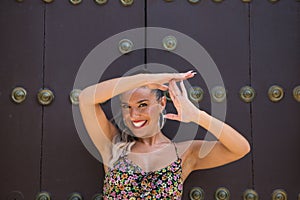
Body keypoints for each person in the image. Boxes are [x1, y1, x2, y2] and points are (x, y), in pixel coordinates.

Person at [78, 70, 250, 200]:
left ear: (162, 103)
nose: (133, 115)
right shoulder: (113, 145)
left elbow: (240, 148)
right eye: (126, 107)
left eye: (142, 105)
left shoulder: (184, 153)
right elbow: (86, 98)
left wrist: (197, 115)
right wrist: (144, 79)